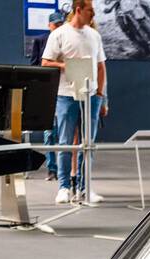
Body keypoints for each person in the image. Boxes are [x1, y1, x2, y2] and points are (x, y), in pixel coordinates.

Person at [42, 0, 108, 205]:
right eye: (90, 11)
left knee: (88, 144)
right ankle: (64, 187)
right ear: (78, 10)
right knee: (65, 142)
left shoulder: (94, 35)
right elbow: (45, 62)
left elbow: (101, 66)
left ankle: (84, 187)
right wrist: (67, 65)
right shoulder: (59, 34)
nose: (93, 15)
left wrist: (100, 95)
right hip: (66, 95)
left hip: (91, 97)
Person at [30, 10, 66, 181]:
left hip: (65, 91)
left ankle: (64, 172)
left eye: (61, 24)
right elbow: (34, 66)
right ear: (49, 25)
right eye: (56, 24)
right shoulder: (40, 40)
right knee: (49, 133)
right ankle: (52, 169)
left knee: (64, 134)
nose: (58, 27)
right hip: (47, 93)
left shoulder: (67, 40)